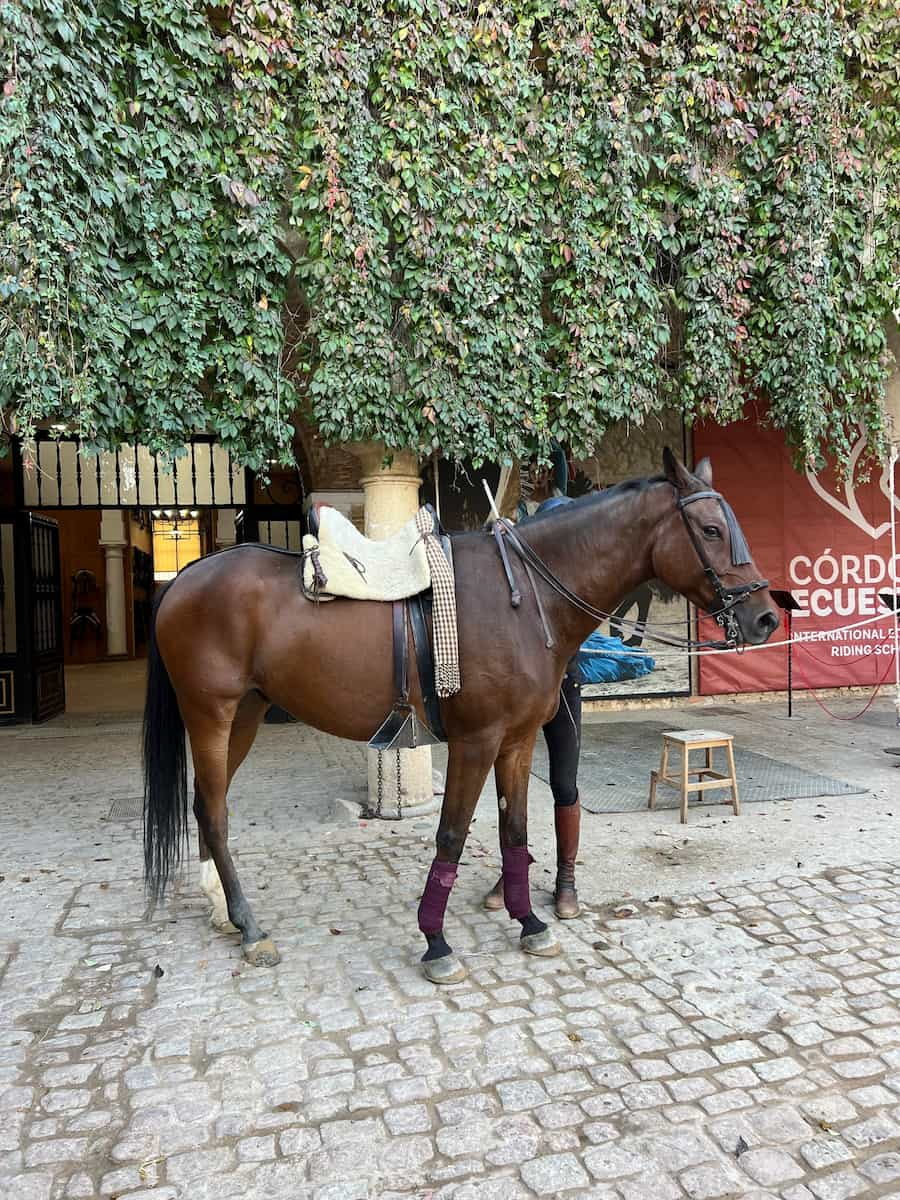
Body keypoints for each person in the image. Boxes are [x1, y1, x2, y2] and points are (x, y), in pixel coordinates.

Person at [484, 449, 584, 919]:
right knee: (512, 781)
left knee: (563, 781)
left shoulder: (572, 554)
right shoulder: (521, 548)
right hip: (522, 680)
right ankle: (515, 870)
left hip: (563, 682)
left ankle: (566, 877)